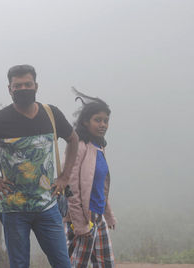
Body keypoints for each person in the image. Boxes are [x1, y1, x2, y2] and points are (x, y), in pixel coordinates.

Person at [0, 64, 79, 268]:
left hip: (48, 206)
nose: (23, 89)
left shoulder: (51, 114)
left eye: (27, 84)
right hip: (14, 210)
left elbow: (73, 139)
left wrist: (65, 177)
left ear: (36, 86)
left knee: (62, 263)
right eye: (18, 85)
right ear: (9, 89)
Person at [64, 89, 116, 268]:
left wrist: (108, 215)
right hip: (83, 217)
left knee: (106, 263)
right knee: (78, 263)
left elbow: (100, 186)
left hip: (97, 215)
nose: (103, 124)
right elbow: (71, 186)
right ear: (86, 122)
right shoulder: (79, 146)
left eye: (106, 121)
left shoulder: (99, 147)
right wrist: (79, 223)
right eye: (98, 120)